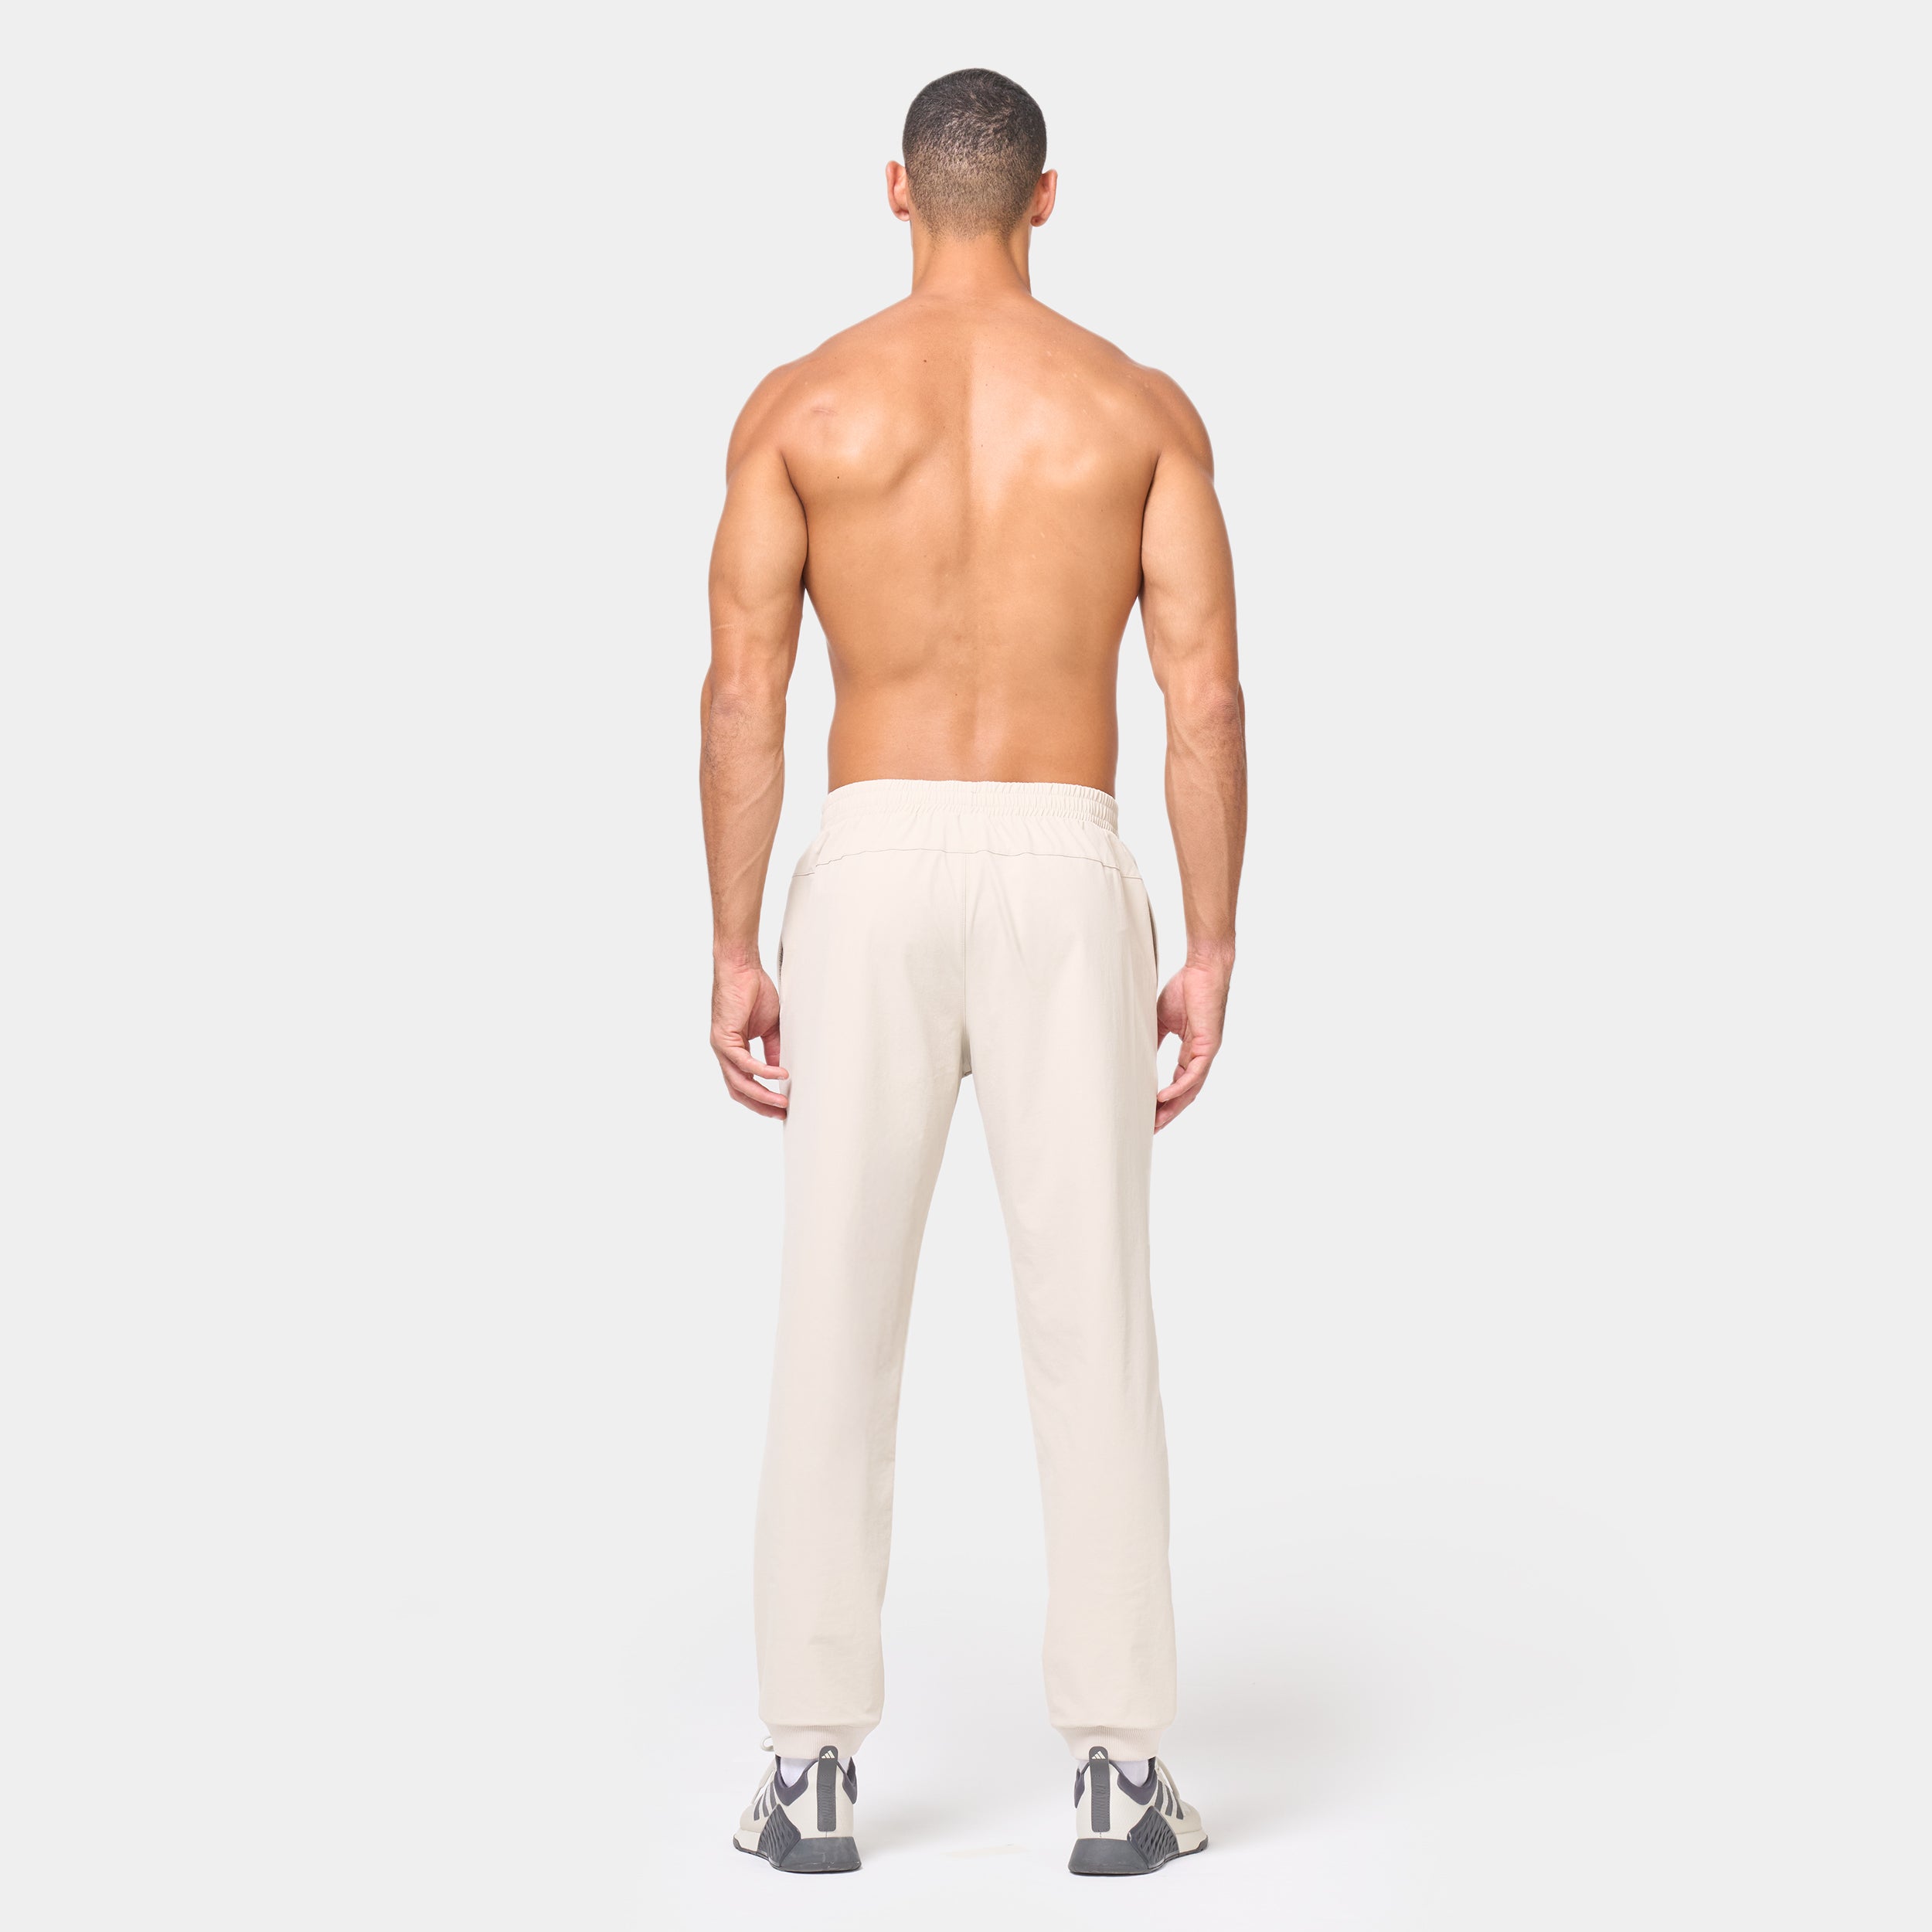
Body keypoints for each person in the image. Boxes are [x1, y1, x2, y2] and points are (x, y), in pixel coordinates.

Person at [700, 67, 1245, 1878]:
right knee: (1092, 1317)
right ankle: (1117, 1771)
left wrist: (732, 937)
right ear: (1044, 200)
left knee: (831, 1309)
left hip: (864, 863)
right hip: (1062, 859)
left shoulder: (802, 405)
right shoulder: (1134, 409)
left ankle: (807, 1770)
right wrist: (1211, 937)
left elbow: (742, 690)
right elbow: (1203, 695)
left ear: (894, 191)